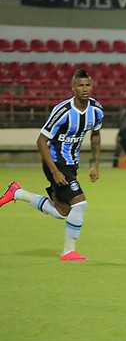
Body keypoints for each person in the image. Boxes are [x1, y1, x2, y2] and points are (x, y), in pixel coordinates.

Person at [0, 69, 103, 261]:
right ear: (73, 88)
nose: (85, 89)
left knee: (61, 212)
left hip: (71, 164)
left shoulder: (96, 110)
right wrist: (55, 171)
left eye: (88, 85)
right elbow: (41, 141)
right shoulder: (63, 111)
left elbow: (95, 135)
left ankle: (18, 193)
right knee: (80, 203)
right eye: (80, 85)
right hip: (55, 162)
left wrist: (95, 164)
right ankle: (69, 251)